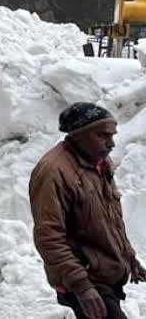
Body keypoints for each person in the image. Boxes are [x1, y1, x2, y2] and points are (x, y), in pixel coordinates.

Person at [30, 103, 146, 319]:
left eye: (112, 135)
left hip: (104, 274)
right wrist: (82, 286)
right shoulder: (53, 172)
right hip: (85, 278)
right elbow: (49, 236)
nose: (111, 143)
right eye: (102, 135)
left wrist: (129, 257)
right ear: (78, 134)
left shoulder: (99, 163)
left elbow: (110, 219)